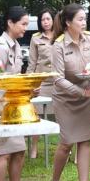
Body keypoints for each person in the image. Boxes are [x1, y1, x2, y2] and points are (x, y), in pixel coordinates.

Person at [46, 4, 90, 181]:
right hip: (67, 99)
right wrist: (80, 92)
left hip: (86, 97)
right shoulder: (58, 45)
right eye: (79, 19)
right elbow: (58, 79)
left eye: (84, 18)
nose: (83, 22)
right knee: (66, 142)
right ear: (68, 23)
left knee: (85, 140)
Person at [0, 7, 37, 181]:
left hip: (15, 103)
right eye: (23, 24)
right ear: (10, 23)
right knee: (4, 153)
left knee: (19, 150)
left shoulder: (16, 45)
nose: (25, 29)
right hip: (1, 105)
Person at [26, 9, 55, 160]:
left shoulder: (60, 36)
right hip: (41, 82)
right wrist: (29, 83)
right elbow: (32, 62)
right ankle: (34, 148)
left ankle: (67, 147)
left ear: (53, 20)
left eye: (48, 19)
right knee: (36, 114)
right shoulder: (35, 38)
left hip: (57, 81)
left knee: (62, 114)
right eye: (43, 19)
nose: (46, 22)